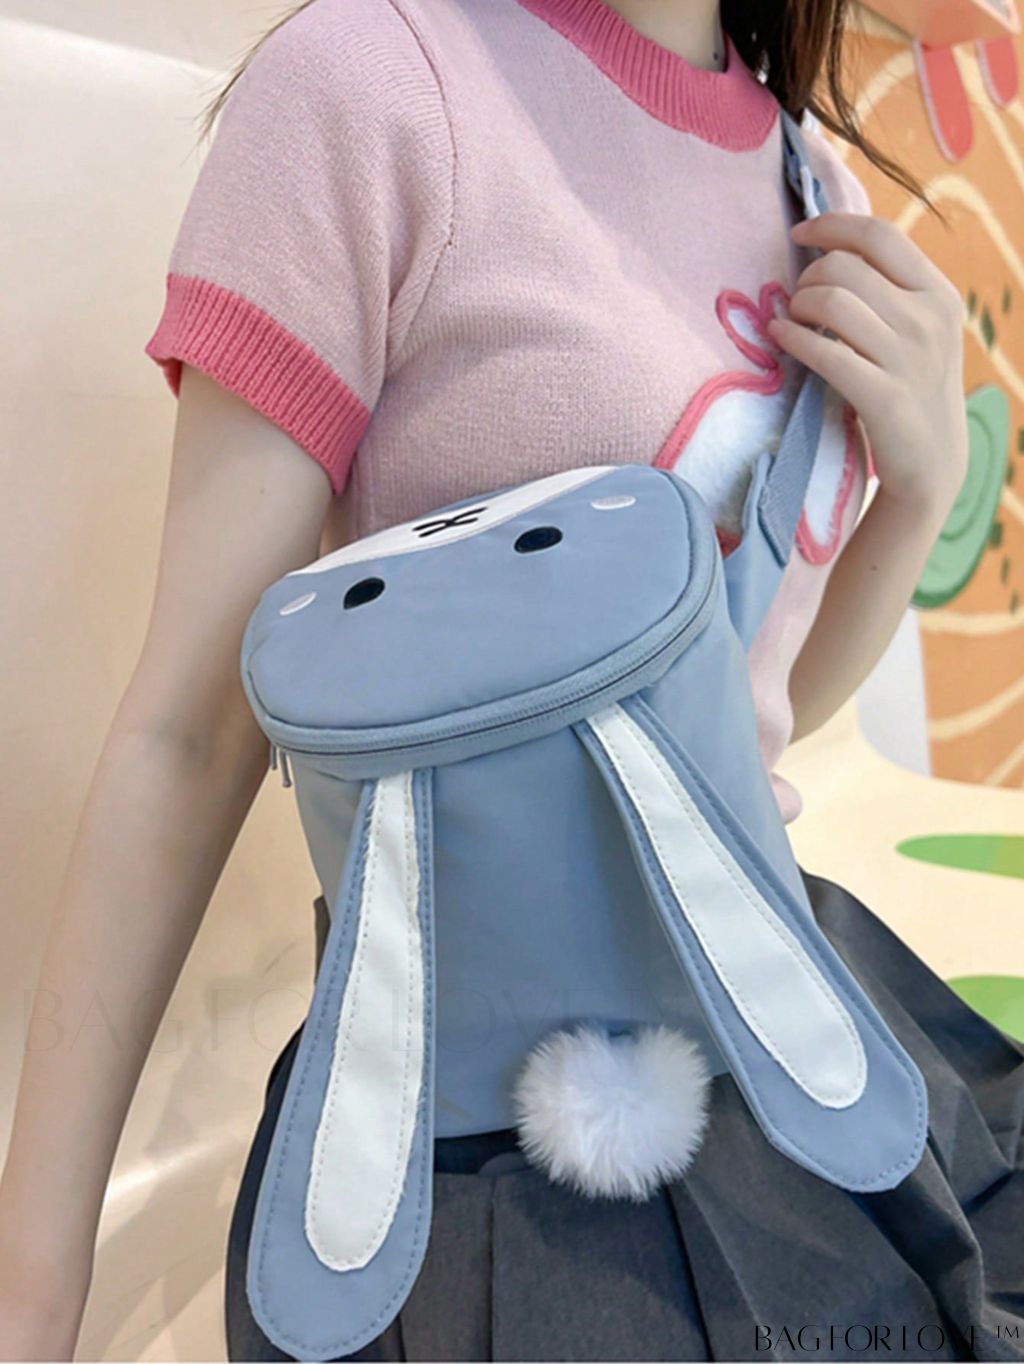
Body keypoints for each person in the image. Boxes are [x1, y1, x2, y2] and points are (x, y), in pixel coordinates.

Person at [2, 0, 1021, 1360]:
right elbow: (190, 736)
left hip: (790, 1010)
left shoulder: (810, 178)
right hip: (486, 1132)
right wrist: (35, 1288)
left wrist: (920, 492)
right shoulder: (373, 86)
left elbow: (743, 714)